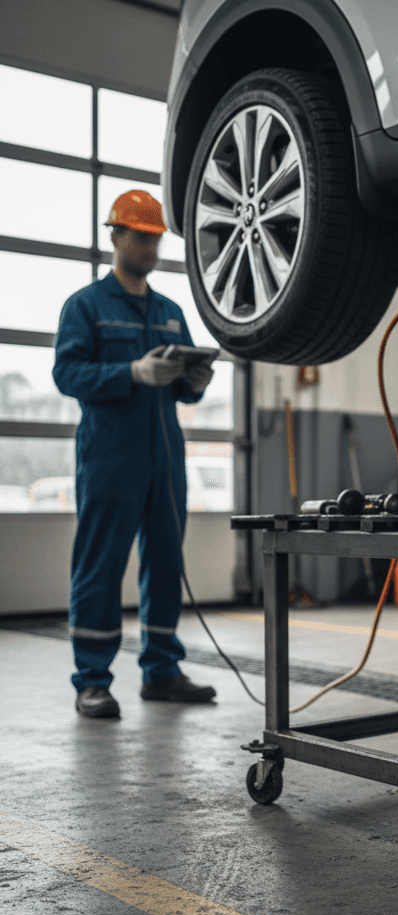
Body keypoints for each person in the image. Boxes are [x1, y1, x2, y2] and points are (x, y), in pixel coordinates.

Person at [53, 190, 217, 718]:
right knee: (100, 565)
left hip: (166, 454)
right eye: (140, 236)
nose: (149, 246)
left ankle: (162, 669)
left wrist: (196, 379)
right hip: (110, 456)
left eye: (155, 238)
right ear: (115, 235)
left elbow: (186, 391)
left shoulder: (170, 313)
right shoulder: (85, 306)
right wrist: (132, 373)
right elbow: (68, 373)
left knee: (166, 561)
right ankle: (93, 680)